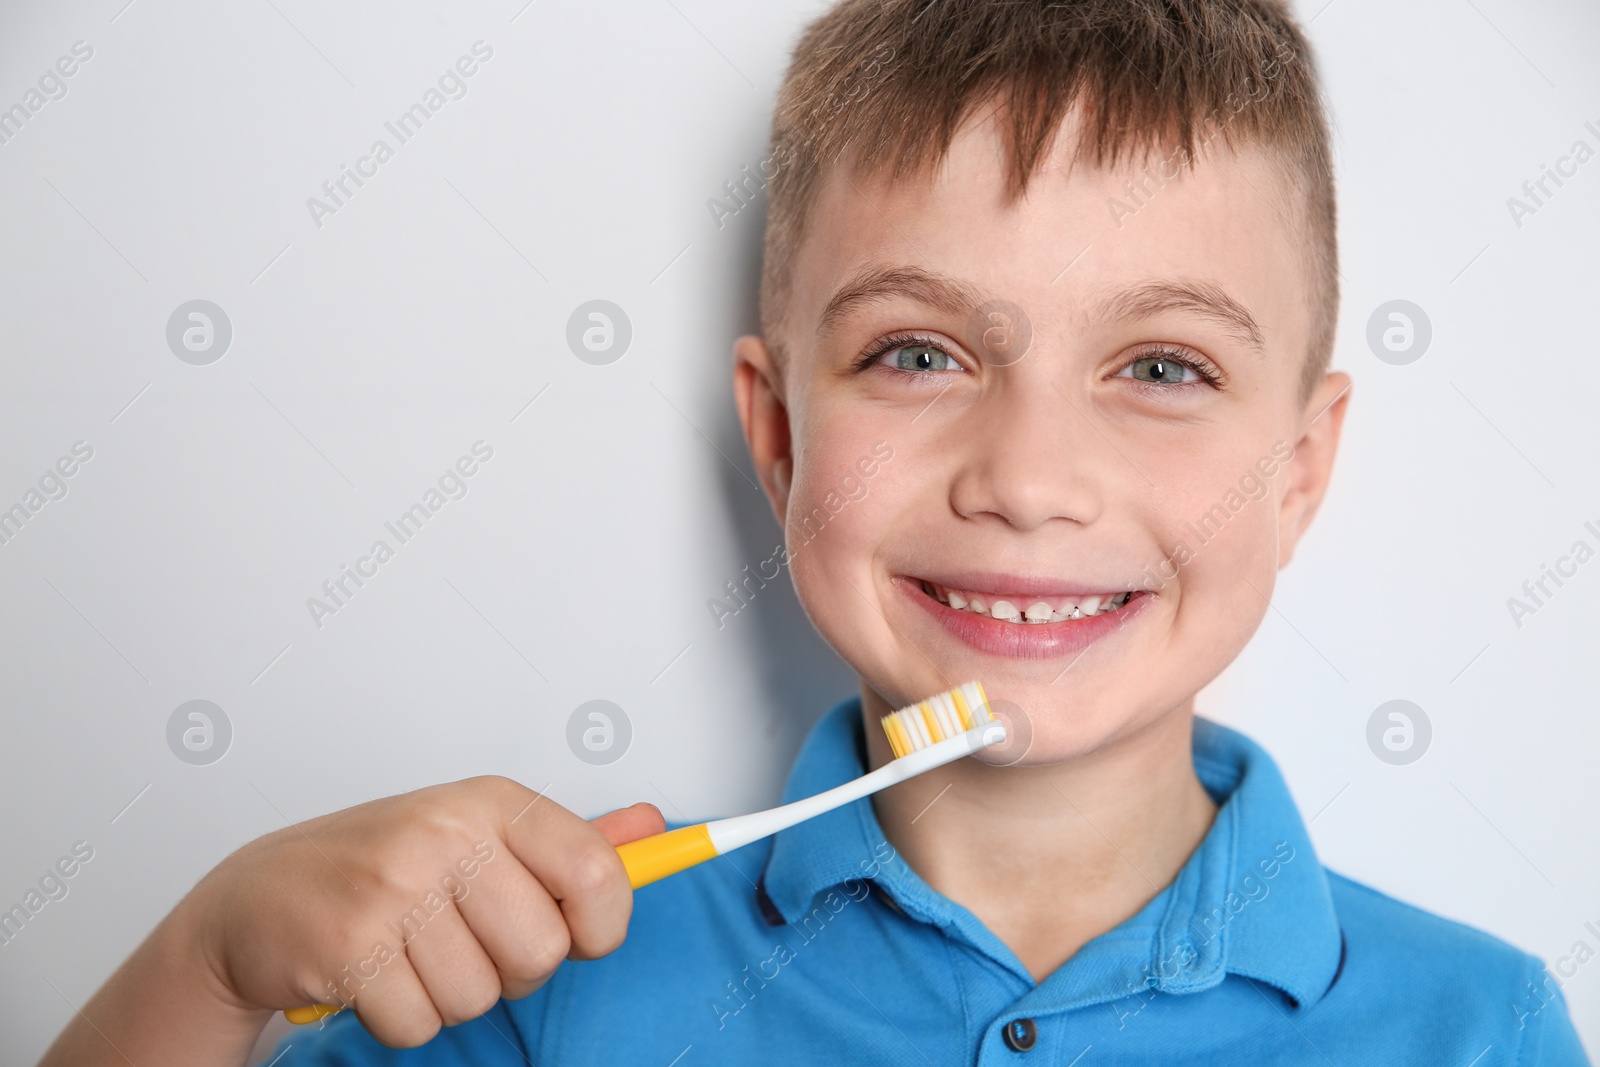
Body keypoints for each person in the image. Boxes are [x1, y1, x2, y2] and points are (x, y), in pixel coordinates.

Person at [39, 0, 1591, 1063]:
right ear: (778, 434)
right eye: (921, 353)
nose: (1030, 477)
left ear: (1303, 467)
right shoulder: (548, 991)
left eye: (1162, 368)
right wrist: (209, 965)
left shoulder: (1481, 1028)